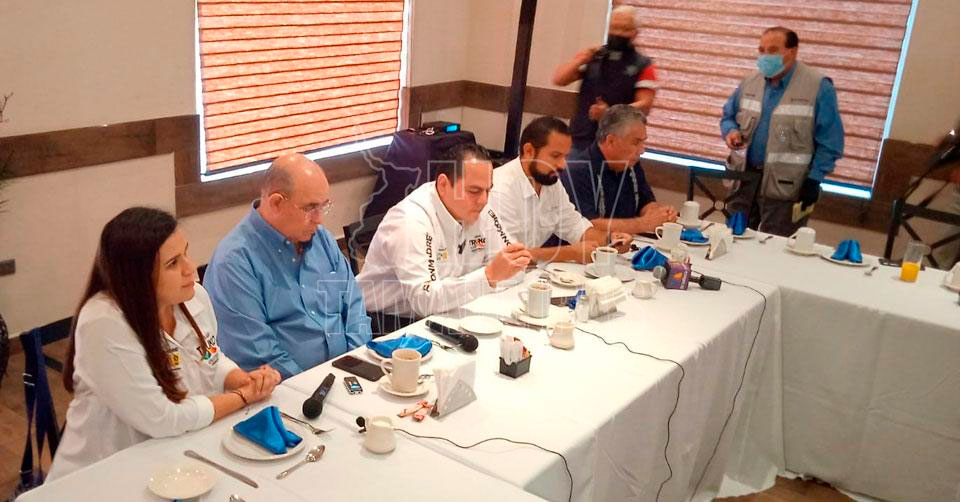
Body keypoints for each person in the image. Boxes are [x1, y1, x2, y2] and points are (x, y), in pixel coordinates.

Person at [49, 208, 281, 480]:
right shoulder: (104, 323)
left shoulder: (193, 298)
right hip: (105, 474)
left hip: (176, 453)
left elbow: (209, 356)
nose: (190, 269)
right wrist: (242, 397)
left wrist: (241, 379)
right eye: (172, 263)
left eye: (186, 253)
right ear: (136, 276)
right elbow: (162, 418)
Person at [204, 153, 371, 379]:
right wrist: (318, 386)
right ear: (276, 203)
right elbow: (257, 355)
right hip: (287, 389)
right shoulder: (234, 262)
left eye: (323, 206)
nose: (319, 219)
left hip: (347, 375)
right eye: (310, 208)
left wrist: (356, 363)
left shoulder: (322, 239)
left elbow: (354, 307)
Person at [358, 144, 532, 331]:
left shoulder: (480, 209)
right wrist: (488, 277)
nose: (484, 200)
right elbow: (424, 301)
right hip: (386, 322)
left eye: (488, 190)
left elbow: (515, 270)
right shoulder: (410, 221)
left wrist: (488, 277)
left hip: (447, 310)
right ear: (443, 185)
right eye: (474, 191)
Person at [720, 26, 844, 236]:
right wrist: (731, 131)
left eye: (772, 50)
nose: (765, 56)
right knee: (733, 239)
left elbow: (831, 141)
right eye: (761, 50)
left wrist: (814, 179)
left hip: (787, 188)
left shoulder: (818, 87)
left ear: (792, 52)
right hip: (744, 180)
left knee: (776, 246)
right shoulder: (750, 82)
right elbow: (728, 116)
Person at [489, 116, 632, 263]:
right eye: (555, 156)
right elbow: (506, 258)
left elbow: (574, 226)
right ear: (529, 151)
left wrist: (611, 239)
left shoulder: (550, 181)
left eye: (565, 156)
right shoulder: (500, 189)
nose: (562, 165)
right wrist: (570, 253)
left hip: (531, 272)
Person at [552, 5, 658, 154]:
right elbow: (559, 79)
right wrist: (581, 59)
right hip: (581, 138)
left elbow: (645, 105)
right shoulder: (595, 55)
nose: (618, 33)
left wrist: (610, 113)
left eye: (625, 29)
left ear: (635, 32)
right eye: (614, 27)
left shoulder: (644, 65)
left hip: (619, 143)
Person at [562, 104, 678, 234]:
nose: (642, 151)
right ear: (610, 141)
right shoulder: (577, 171)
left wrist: (659, 214)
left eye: (643, 142)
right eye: (636, 142)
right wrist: (643, 224)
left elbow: (646, 202)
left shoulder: (631, 165)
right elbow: (586, 225)